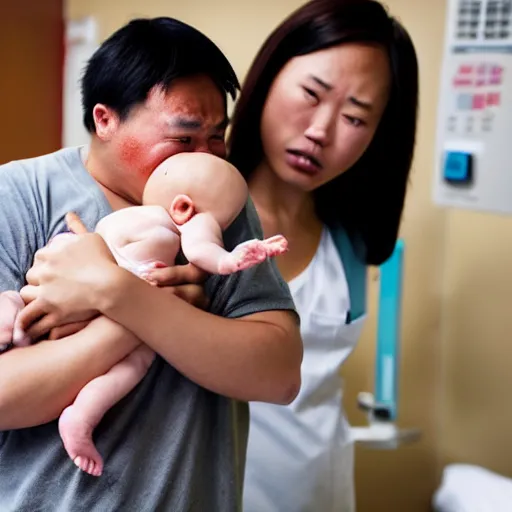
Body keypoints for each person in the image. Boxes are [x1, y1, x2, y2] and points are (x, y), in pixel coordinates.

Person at [0, 17, 302, 511]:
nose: (205, 158)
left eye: (217, 138)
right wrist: (144, 315)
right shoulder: (20, 194)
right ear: (104, 119)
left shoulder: (215, 206)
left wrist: (118, 294)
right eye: (183, 140)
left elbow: (278, 373)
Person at [227, 0, 419, 510]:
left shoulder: (350, 242)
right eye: (311, 94)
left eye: (355, 117)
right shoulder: (192, 210)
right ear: (269, 76)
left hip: (318, 488)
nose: (321, 130)